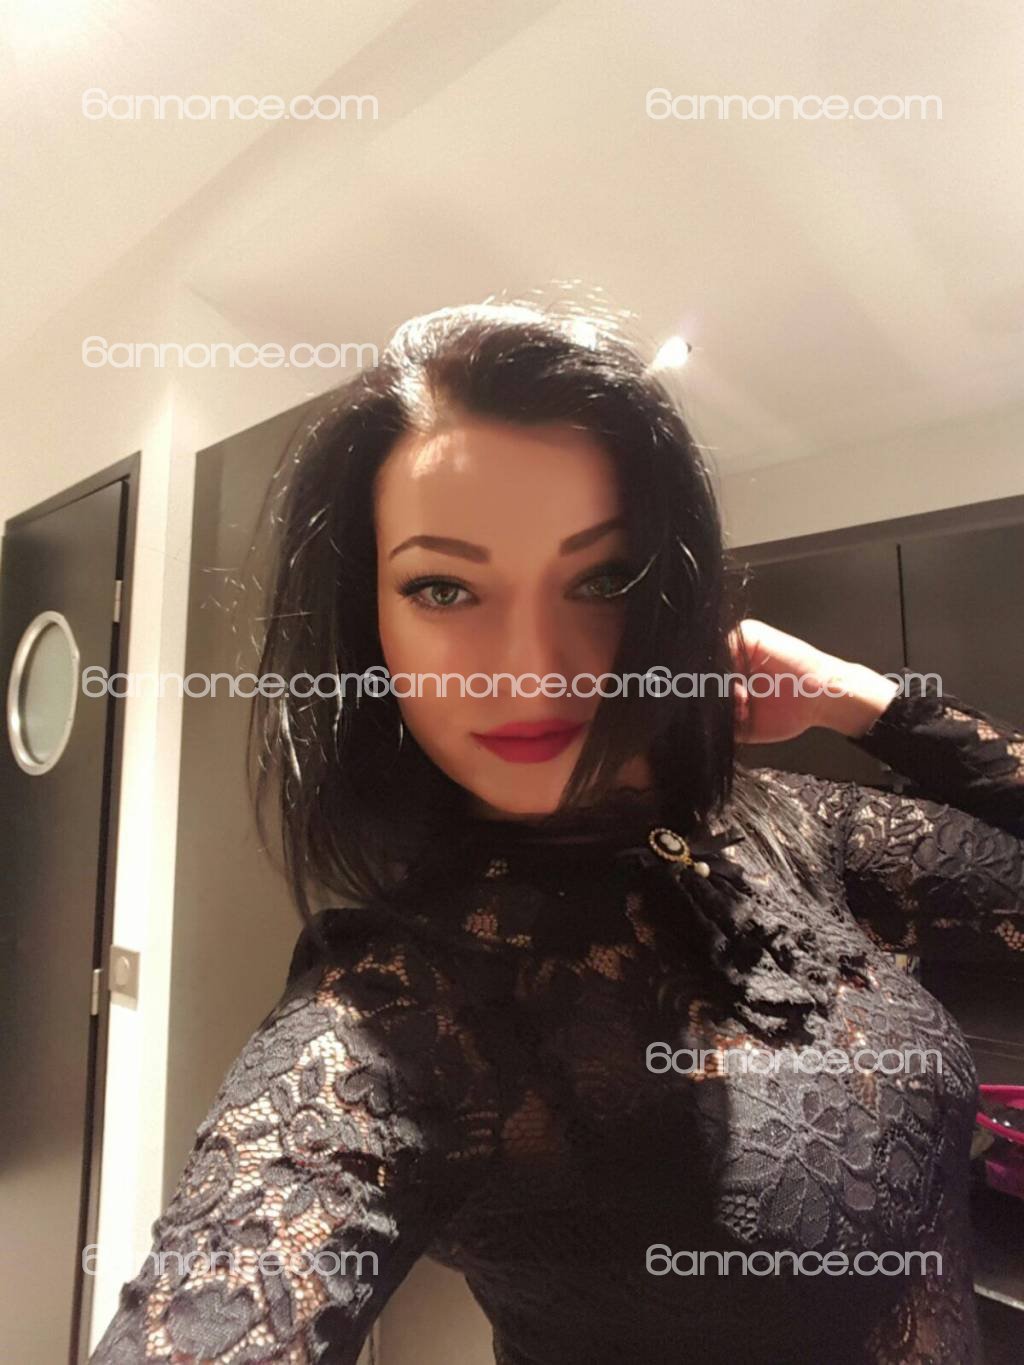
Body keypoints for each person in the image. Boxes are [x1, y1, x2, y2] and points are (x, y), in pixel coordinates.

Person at [88, 302, 1024, 1364]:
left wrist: (863, 700)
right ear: (369, 622)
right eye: (444, 587)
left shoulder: (787, 828)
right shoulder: (399, 1009)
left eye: (604, 578)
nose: (533, 667)